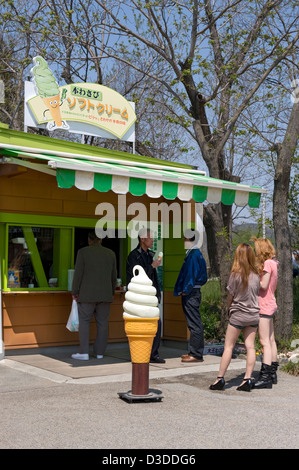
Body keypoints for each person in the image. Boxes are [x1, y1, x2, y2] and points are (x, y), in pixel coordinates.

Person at [209, 243, 260, 392]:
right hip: (253, 314)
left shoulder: (235, 274)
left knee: (229, 346)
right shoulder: (256, 275)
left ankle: (220, 378)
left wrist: (228, 308)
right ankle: (247, 379)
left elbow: (230, 296)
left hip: (238, 314)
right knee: (250, 346)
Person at [71, 230, 117, 360]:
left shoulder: (83, 253)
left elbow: (78, 274)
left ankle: (84, 352)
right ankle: (100, 353)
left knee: (84, 322)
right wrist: (111, 292)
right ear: (101, 240)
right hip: (105, 295)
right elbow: (113, 277)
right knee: (103, 323)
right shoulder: (111, 254)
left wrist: (75, 291)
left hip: (87, 295)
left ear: (89, 240)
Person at [126, 228, 164, 363]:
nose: (153, 240)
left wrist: (158, 294)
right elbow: (137, 277)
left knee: (156, 324)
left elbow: (153, 279)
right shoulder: (134, 256)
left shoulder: (149, 255)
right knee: (143, 326)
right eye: (150, 237)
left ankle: (153, 354)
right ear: (142, 239)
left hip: (151, 297)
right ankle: (143, 353)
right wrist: (152, 267)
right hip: (139, 298)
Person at [174, 229, 207, 363]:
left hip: (191, 292)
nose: (183, 241)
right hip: (193, 291)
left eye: (184, 239)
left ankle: (196, 354)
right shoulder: (195, 253)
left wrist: (185, 290)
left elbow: (191, 275)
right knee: (194, 323)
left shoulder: (193, 255)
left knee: (194, 323)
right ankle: (194, 351)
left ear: (189, 239)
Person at [252, 237, 278, 388]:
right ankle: (272, 372)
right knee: (271, 340)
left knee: (264, 342)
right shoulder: (274, 262)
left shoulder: (268, 263)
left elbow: (263, 285)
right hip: (270, 303)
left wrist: (252, 277)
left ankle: (265, 376)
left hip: (264, 305)